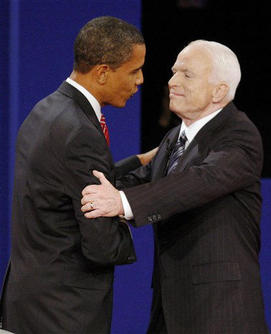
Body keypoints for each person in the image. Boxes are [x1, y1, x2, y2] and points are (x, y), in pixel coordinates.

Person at [80, 40, 269, 333]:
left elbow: (197, 181)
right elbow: (140, 179)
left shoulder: (239, 135)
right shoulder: (175, 137)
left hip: (220, 313)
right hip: (171, 309)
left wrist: (122, 202)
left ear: (219, 90)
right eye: (173, 72)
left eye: (187, 75)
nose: (172, 82)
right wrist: (89, 184)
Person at [0, 16, 149, 334]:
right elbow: (101, 245)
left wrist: (139, 161)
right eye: (134, 70)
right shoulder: (81, 131)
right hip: (62, 315)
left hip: (29, 306)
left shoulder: (45, 111)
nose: (140, 81)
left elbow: (69, 182)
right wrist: (123, 211)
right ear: (104, 72)